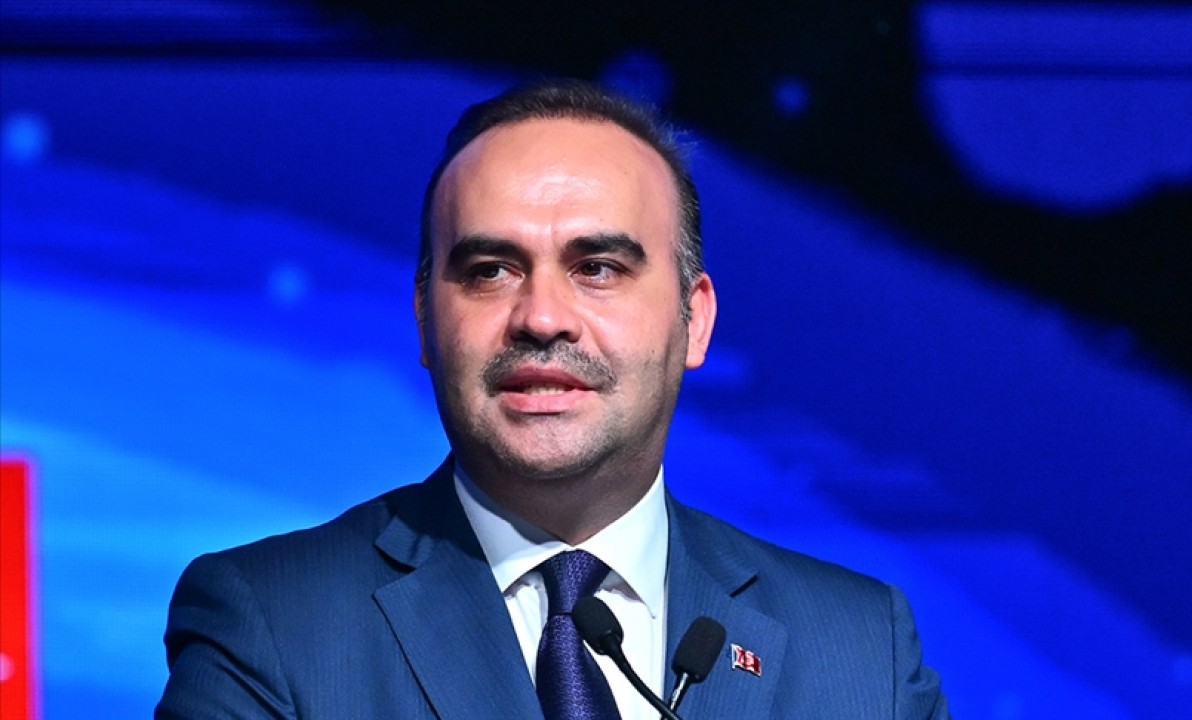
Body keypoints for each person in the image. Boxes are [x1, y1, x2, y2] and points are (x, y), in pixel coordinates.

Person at [157, 78, 949, 719]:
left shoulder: (862, 651)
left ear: (694, 319)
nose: (541, 317)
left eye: (597, 268)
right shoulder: (273, 624)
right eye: (490, 271)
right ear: (425, 320)